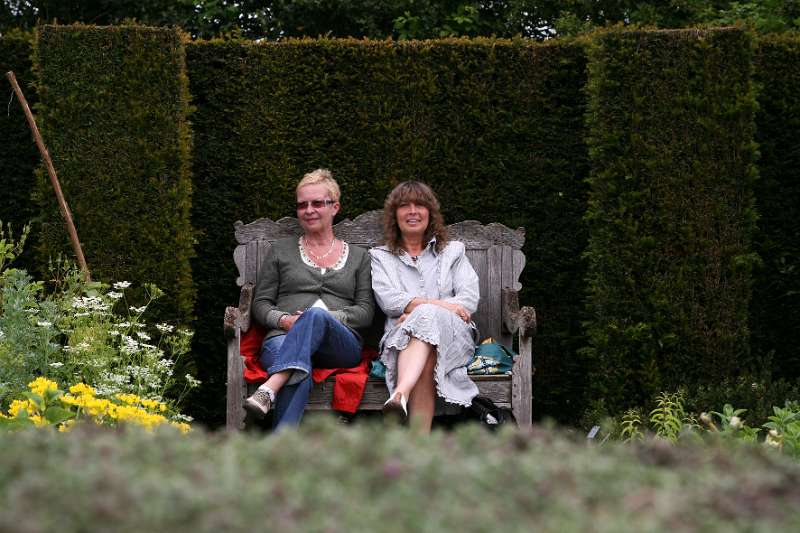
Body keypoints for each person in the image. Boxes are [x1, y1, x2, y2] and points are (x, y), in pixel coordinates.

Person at [244, 169, 374, 429]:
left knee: (315, 316)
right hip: (283, 339)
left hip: (339, 345)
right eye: (302, 205)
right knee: (298, 368)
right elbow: (260, 304)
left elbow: (365, 312)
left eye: (317, 203)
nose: (309, 210)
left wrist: (326, 319)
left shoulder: (360, 257)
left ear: (335, 207)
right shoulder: (281, 251)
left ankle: (270, 388)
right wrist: (284, 321)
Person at [370, 181, 480, 432]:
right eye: (404, 206)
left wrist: (414, 310)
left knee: (427, 317)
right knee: (427, 348)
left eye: (419, 205)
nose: (412, 211)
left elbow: (468, 299)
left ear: (430, 213)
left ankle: (400, 394)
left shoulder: (453, 252)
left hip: (454, 338)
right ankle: (417, 443)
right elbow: (389, 301)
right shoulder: (381, 256)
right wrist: (442, 305)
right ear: (394, 215)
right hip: (401, 340)